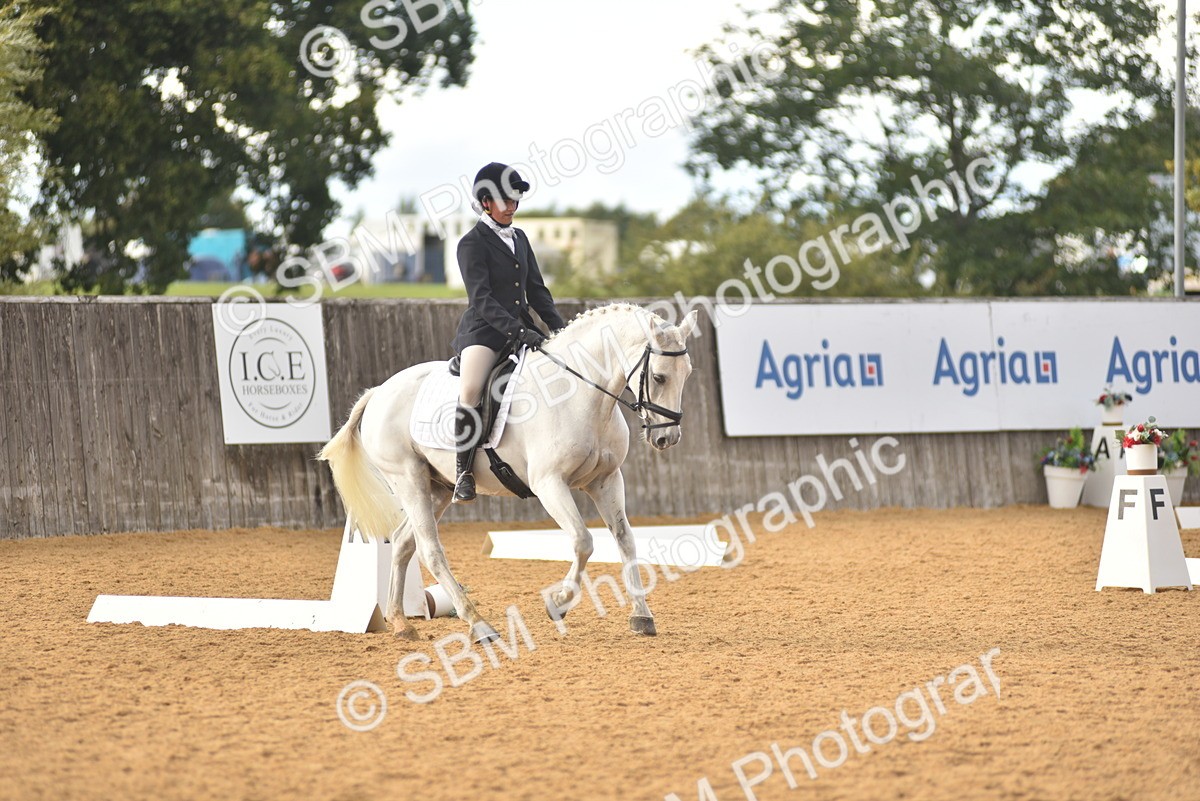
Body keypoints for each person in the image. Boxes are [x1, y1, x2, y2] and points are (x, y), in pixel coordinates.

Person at [448, 162, 565, 502]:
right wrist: (517, 330)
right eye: (506, 200)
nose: (512, 206)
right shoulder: (471, 243)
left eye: (516, 200)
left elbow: (537, 291)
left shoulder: (520, 238)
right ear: (486, 202)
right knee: (470, 391)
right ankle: (463, 472)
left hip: (523, 330)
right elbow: (481, 299)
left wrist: (561, 331)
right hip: (484, 332)